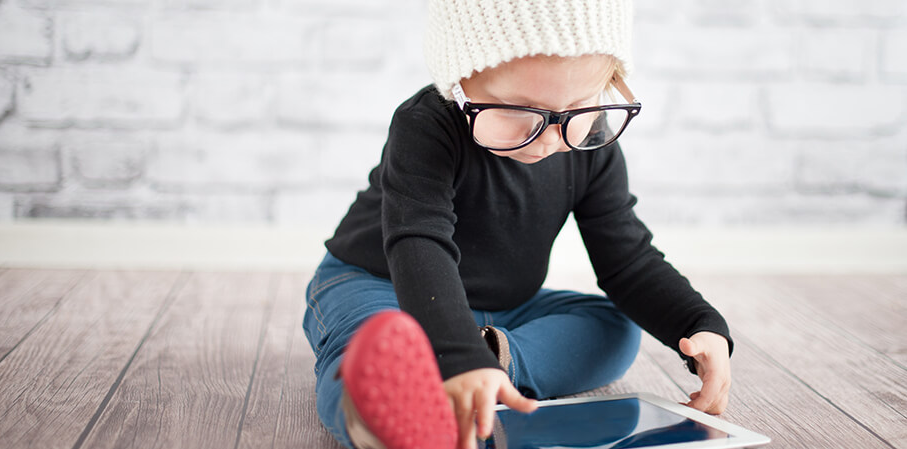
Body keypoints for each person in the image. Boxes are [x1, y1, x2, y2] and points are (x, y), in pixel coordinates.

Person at [303, 1, 734, 448]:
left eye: (580, 105)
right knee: (363, 342)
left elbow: (628, 260)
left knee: (614, 327)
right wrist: (458, 353)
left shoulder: (590, 144)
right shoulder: (426, 125)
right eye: (520, 110)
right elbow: (419, 243)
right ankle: (381, 413)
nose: (551, 135)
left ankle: (490, 359)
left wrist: (697, 322)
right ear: (462, 83)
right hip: (381, 282)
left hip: (500, 309)